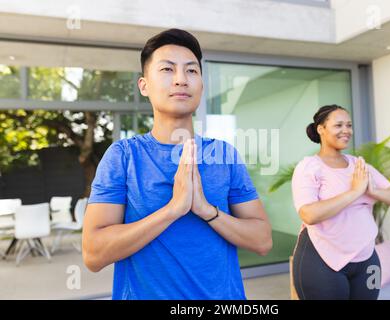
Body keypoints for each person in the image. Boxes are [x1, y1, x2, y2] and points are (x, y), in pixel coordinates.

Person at [82, 28, 272, 300]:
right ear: (144, 86)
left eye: (192, 71)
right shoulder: (123, 156)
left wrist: (207, 210)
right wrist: (173, 209)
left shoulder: (224, 154)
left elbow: (263, 240)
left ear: (201, 85)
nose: (181, 80)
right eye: (168, 70)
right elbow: (93, 254)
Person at [291, 104, 390, 300]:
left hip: (367, 259)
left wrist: (373, 190)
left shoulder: (359, 165)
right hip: (322, 259)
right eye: (338, 125)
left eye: (349, 125)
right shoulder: (308, 167)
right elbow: (309, 214)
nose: (346, 130)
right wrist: (355, 192)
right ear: (321, 129)